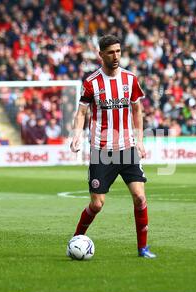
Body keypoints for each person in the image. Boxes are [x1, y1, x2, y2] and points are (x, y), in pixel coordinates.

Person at [69, 34, 156, 258]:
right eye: (110, 52)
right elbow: (81, 112)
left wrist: (140, 141)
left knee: (140, 197)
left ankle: (142, 248)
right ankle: (76, 240)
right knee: (97, 205)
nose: (115, 56)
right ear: (101, 55)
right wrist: (77, 134)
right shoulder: (91, 83)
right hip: (101, 151)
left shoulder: (130, 79)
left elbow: (137, 110)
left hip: (127, 149)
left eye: (118, 51)